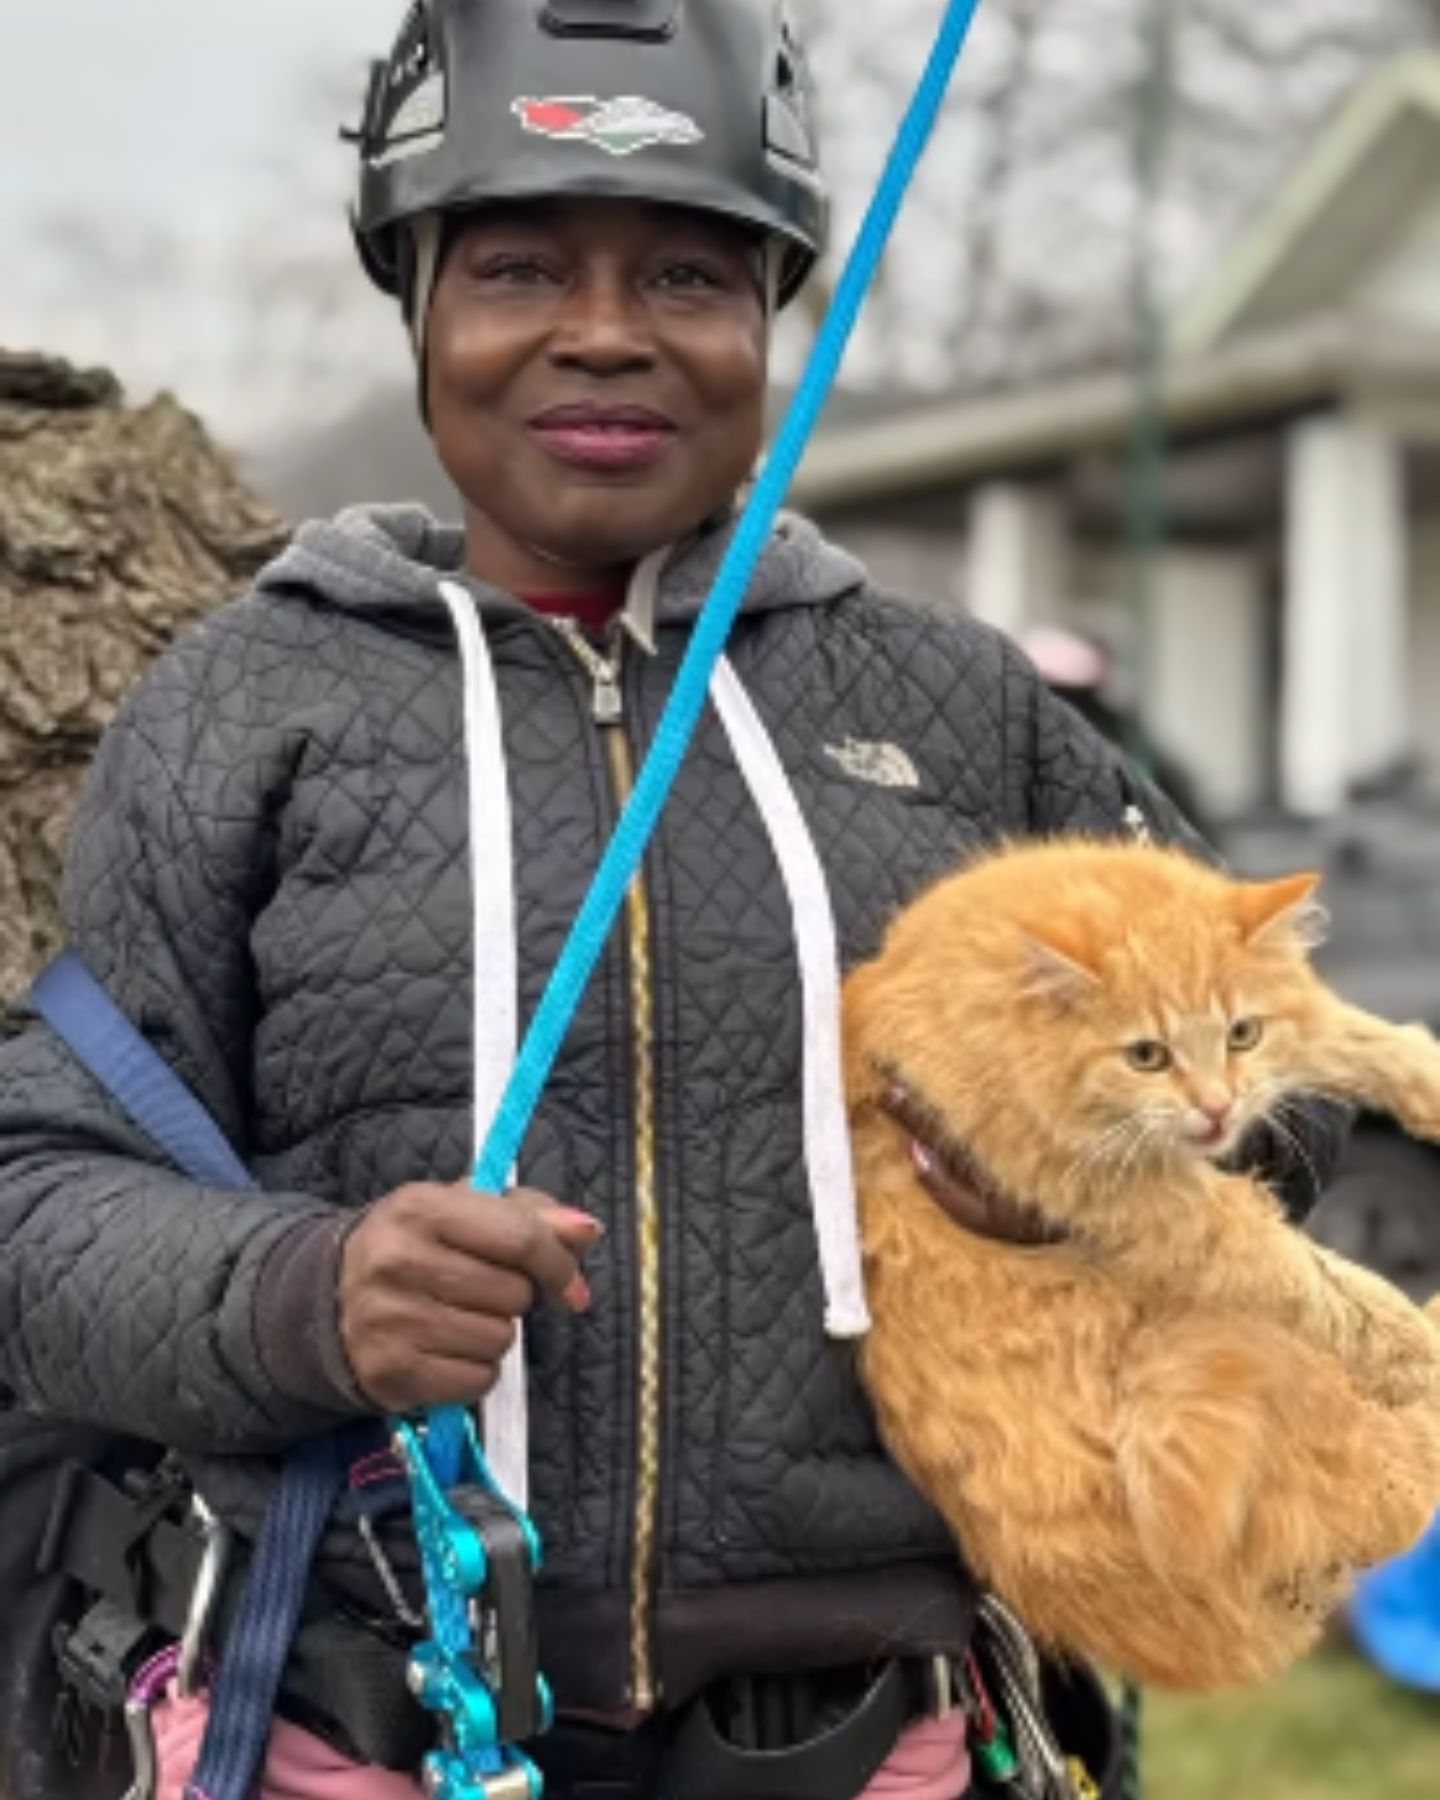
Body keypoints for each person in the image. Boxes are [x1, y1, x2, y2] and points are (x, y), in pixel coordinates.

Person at [0, 3, 1347, 1797]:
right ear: (419, 307)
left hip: (876, 1733)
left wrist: (1092, 1167)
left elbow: (1298, 1091)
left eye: (693, 278)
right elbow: (39, 1195)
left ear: (778, 313)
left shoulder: (960, 712)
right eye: (521, 268)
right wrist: (302, 1295)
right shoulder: (246, 705)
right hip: (359, 1718)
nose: (607, 333)